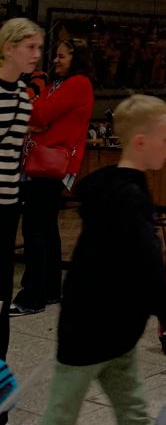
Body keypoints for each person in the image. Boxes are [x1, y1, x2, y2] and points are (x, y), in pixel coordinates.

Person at [31, 95, 166, 425]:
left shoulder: (120, 189)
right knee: (59, 422)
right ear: (140, 142)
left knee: (132, 413)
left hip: (112, 328)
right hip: (90, 331)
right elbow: (148, 271)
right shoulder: (127, 199)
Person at [11, 37, 94, 316]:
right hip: (46, 160)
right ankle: (49, 289)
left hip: (52, 162)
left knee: (35, 227)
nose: (55, 60)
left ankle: (32, 294)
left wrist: (32, 117)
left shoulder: (78, 84)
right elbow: (38, 114)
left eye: (62, 56)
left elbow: (40, 112)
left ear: (76, 58)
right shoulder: (58, 84)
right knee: (46, 227)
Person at [0, 18, 43, 425]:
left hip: (9, 204)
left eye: (38, 47)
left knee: (0, 307)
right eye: (29, 46)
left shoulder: (23, 94)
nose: (36, 55)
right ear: (9, 47)